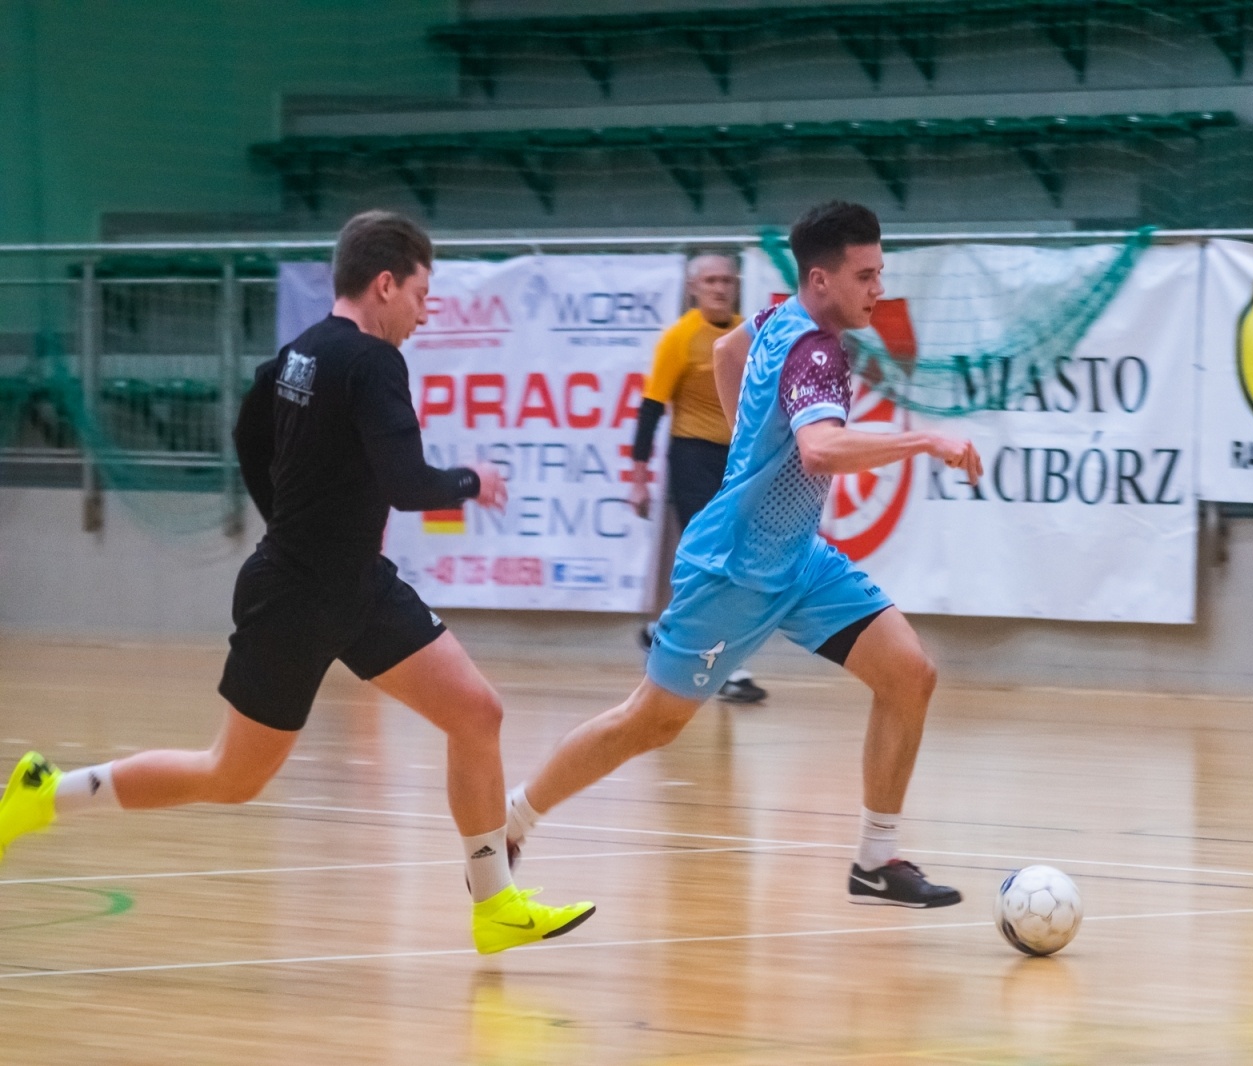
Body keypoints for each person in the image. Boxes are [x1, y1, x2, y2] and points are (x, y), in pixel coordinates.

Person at [0, 210, 594, 956]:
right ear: (385, 284)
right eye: (420, 294)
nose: (423, 312)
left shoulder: (295, 357)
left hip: (357, 587)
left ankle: (494, 904)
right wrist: (473, 480)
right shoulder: (372, 362)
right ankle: (45, 795)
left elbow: (249, 437)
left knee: (477, 714)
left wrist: (295, 518)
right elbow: (408, 484)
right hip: (296, 598)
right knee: (231, 776)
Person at [503, 201, 984, 907]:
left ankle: (876, 862)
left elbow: (728, 354)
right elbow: (820, 449)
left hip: (798, 559)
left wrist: (747, 454)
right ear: (821, 279)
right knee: (650, 723)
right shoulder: (817, 350)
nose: (878, 290)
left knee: (909, 674)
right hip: (732, 570)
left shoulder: (779, 316)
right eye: (865, 276)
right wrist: (927, 440)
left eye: (880, 273)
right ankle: (513, 819)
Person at [629, 253, 767, 705]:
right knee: (716, 560)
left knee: (740, 560)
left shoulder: (750, 333)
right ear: (693, 288)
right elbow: (651, 409)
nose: (720, 288)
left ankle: (665, 630)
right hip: (692, 457)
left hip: (737, 461)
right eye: (710, 281)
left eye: (727, 280)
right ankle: (725, 665)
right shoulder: (679, 338)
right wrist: (638, 478)